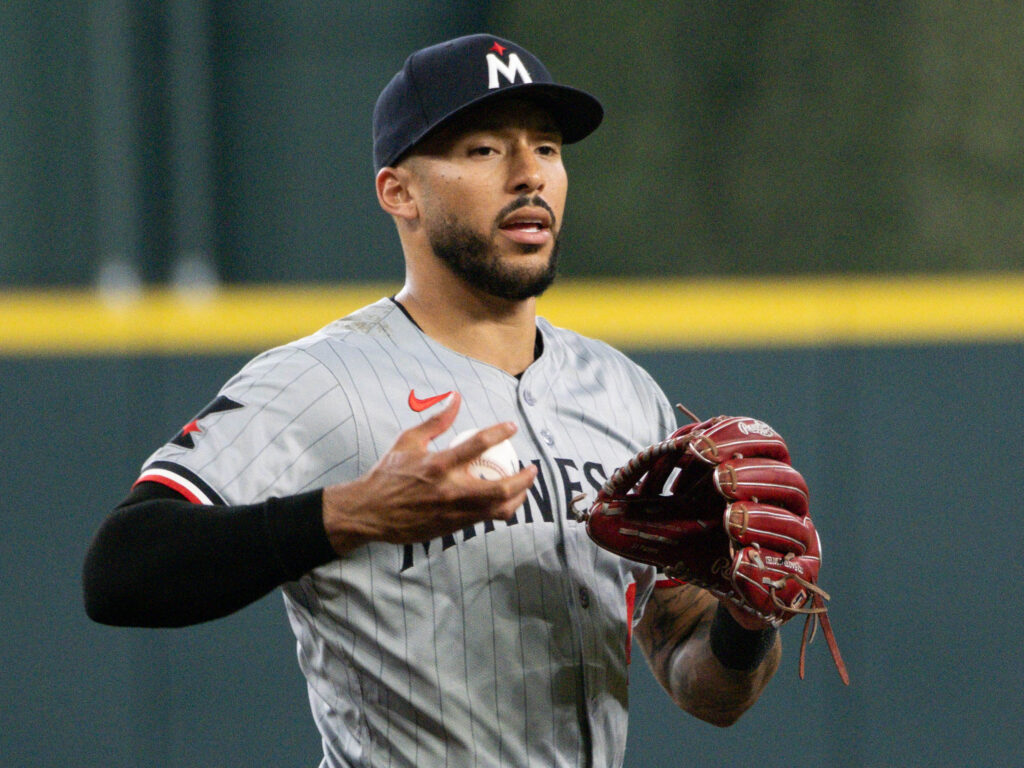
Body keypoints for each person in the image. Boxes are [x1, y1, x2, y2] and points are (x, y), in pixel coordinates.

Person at [83, 34, 781, 768]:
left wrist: (747, 618)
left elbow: (707, 691)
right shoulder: (323, 379)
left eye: (546, 148)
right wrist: (350, 514)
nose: (529, 174)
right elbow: (119, 569)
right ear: (400, 192)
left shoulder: (625, 393)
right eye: (484, 149)